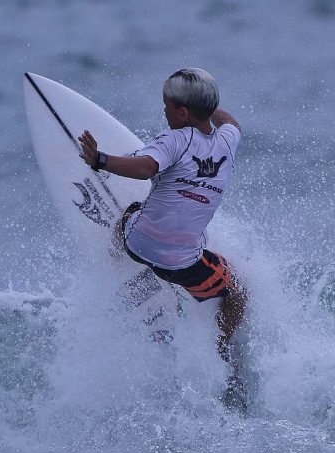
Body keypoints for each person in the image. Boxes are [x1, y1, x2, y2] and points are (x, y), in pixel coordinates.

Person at [77, 68, 249, 412]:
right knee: (236, 294)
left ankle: (114, 254)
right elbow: (231, 121)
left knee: (132, 212)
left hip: (139, 246)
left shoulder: (174, 138)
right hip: (184, 264)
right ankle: (219, 353)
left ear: (183, 113)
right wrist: (208, 106)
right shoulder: (229, 140)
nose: (165, 112)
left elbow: (144, 168)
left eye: (167, 106)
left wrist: (99, 160)